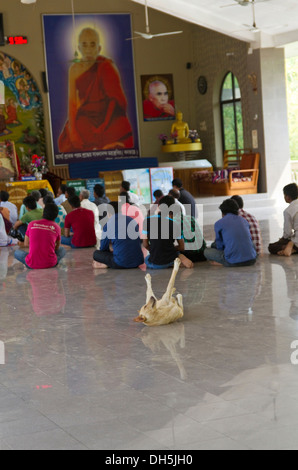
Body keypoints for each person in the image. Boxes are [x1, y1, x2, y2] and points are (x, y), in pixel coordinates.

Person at [58, 27, 133, 152]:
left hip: (108, 114)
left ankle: (107, 145)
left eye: (92, 45)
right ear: (79, 48)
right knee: (75, 133)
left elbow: (117, 99)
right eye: (84, 45)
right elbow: (72, 103)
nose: (88, 50)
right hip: (87, 115)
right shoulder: (75, 69)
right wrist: (73, 131)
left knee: (121, 126)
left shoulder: (106, 65)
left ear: (99, 48)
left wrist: (105, 123)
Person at [142, 195, 192, 269]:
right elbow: (182, 247)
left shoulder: (147, 221)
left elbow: (145, 244)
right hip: (170, 260)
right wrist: (169, 249)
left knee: (146, 259)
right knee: (177, 254)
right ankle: (175, 262)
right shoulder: (175, 224)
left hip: (154, 263)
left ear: (158, 206)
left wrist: (154, 251)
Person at [204, 199, 257, 267]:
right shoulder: (244, 220)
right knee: (249, 242)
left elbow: (220, 246)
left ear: (223, 212)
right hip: (251, 260)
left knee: (206, 251)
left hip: (233, 262)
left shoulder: (218, 223)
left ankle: (224, 263)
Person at [93, 201, 144, 269]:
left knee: (96, 254)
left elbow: (103, 248)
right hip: (138, 261)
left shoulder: (108, 225)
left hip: (121, 263)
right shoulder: (132, 220)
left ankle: (108, 265)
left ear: (108, 213)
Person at [14, 203, 66, 269]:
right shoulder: (57, 227)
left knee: (17, 252)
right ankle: (53, 261)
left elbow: (26, 244)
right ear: (56, 216)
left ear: (43, 214)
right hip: (50, 264)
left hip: (31, 264)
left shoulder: (31, 224)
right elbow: (57, 247)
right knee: (62, 250)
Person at [268, 183, 298, 256]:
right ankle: (292, 248)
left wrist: (283, 239)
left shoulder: (288, 211)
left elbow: (287, 233)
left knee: (271, 247)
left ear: (287, 197)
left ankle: (291, 248)